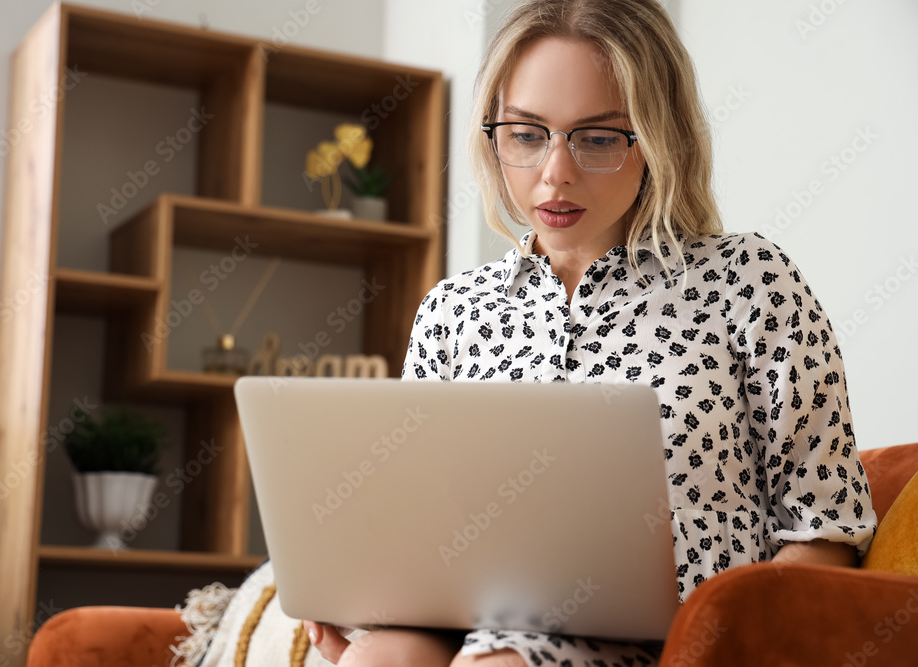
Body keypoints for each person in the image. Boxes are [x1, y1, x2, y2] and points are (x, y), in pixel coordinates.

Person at [304, 0, 878, 664]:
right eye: (525, 134)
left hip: (663, 646)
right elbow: (415, 527)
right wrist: (360, 592)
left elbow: (825, 527)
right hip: (468, 627)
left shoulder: (750, 282)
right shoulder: (452, 311)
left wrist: (734, 636)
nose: (555, 172)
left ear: (661, 138)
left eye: (599, 138)